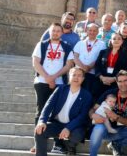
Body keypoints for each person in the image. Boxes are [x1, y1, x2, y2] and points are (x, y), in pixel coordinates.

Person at [32, 23, 74, 154]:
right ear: (49, 32)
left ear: (62, 33)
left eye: (58, 31)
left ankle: (58, 144)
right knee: (40, 112)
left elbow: (69, 65)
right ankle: (37, 143)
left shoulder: (66, 47)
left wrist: (54, 77)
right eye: (53, 31)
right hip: (41, 82)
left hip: (59, 83)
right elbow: (35, 62)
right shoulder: (42, 44)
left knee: (58, 113)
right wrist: (47, 78)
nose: (55, 33)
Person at [34, 68, 92, 156]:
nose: (76, 77)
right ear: (69, 77)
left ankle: (70, 146)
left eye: (79, 75)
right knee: (40, 130)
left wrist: (68, 128)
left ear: (83, 79)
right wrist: (42, 121)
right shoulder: (60, 89)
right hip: (57, 124)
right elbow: (48, 105)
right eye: (74, 75)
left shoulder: (86, 95)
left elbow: (82, 116)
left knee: (78, 134)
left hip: (74, 127)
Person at [89, 70, 127, 156]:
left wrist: (116, 117)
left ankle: (116, 144)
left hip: (122, 131)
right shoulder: (109, 93)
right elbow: (93, 109)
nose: (123, 84)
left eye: (125, 80)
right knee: (98, 128)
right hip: (106, 128)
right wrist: (93, 115)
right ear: (116, 82)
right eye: (120, 81)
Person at [73, 23, 106, 95]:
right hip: (78, 73)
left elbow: (99, 58)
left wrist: (89, 67)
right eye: (90, 30)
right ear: (86, 31)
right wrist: (83, 67)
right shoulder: (80, 43)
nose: (92, 32)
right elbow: (75, 57)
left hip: (92, 74)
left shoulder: (102, 44)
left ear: (97, 32)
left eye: (94, 31)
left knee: (87, 94)